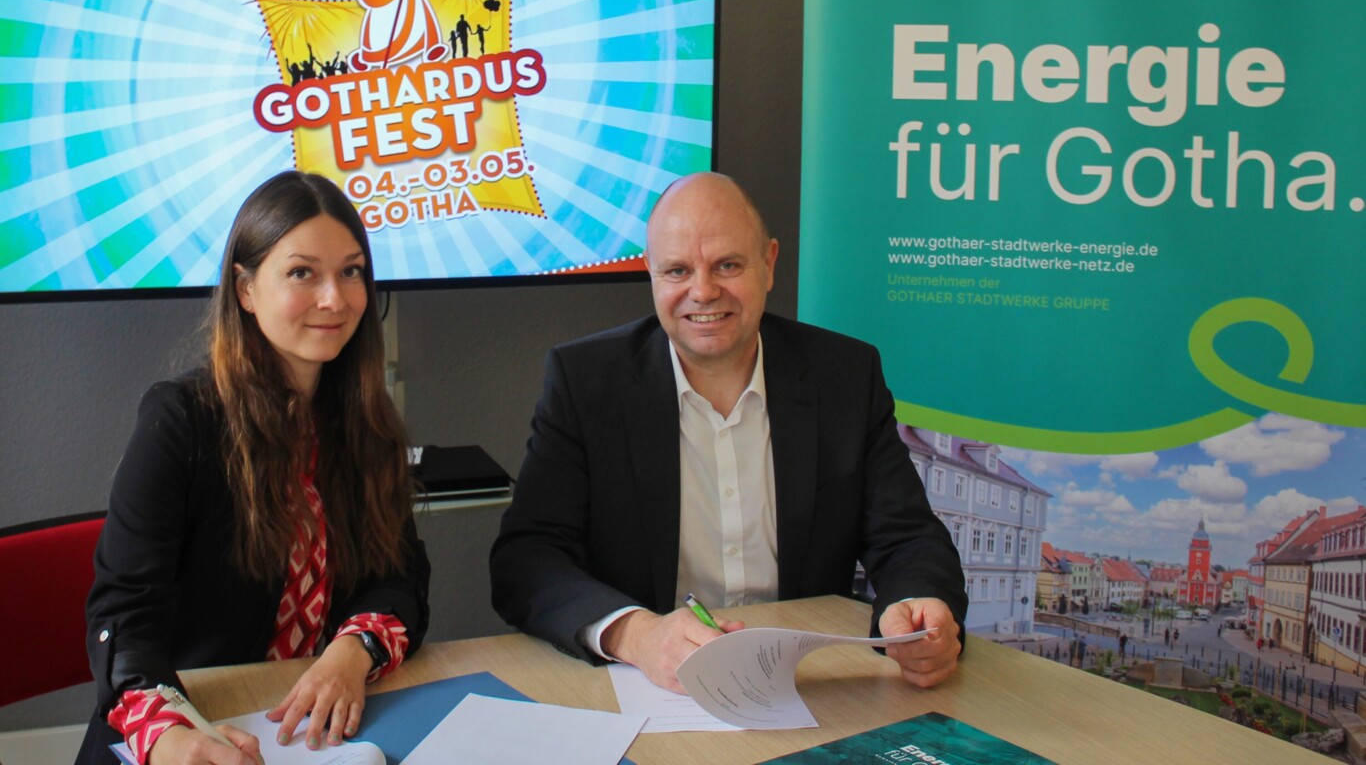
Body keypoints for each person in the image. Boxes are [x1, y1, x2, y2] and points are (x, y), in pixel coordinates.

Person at [489, 172, 966, 693]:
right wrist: (636, 635)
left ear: (769, 264)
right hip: (647, 686)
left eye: (728, 266)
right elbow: (527, 559)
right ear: (650, 272)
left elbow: (908, 537)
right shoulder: (585, 382)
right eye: (677, 270)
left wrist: (918, 608)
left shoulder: (845, 376)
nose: (703, 292)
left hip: (807, 682)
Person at [80, 172, 431, 765]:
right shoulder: (180, 419)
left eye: (351, 272)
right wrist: (167, 734)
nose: (335, 298)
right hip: (196, 728)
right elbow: (124, 616)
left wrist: (352, 652)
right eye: (302, 273)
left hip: (323, 733)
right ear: (245, 290)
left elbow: (401, 579)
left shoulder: (365, 423)